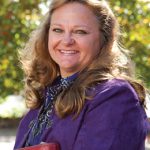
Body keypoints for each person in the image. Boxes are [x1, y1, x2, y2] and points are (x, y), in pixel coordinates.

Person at [14, 0, 148, 149]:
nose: (66, 41)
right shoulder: (45, 95)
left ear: (104, 40)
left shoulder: (115, 95)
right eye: (58, 30)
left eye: (80, 31)